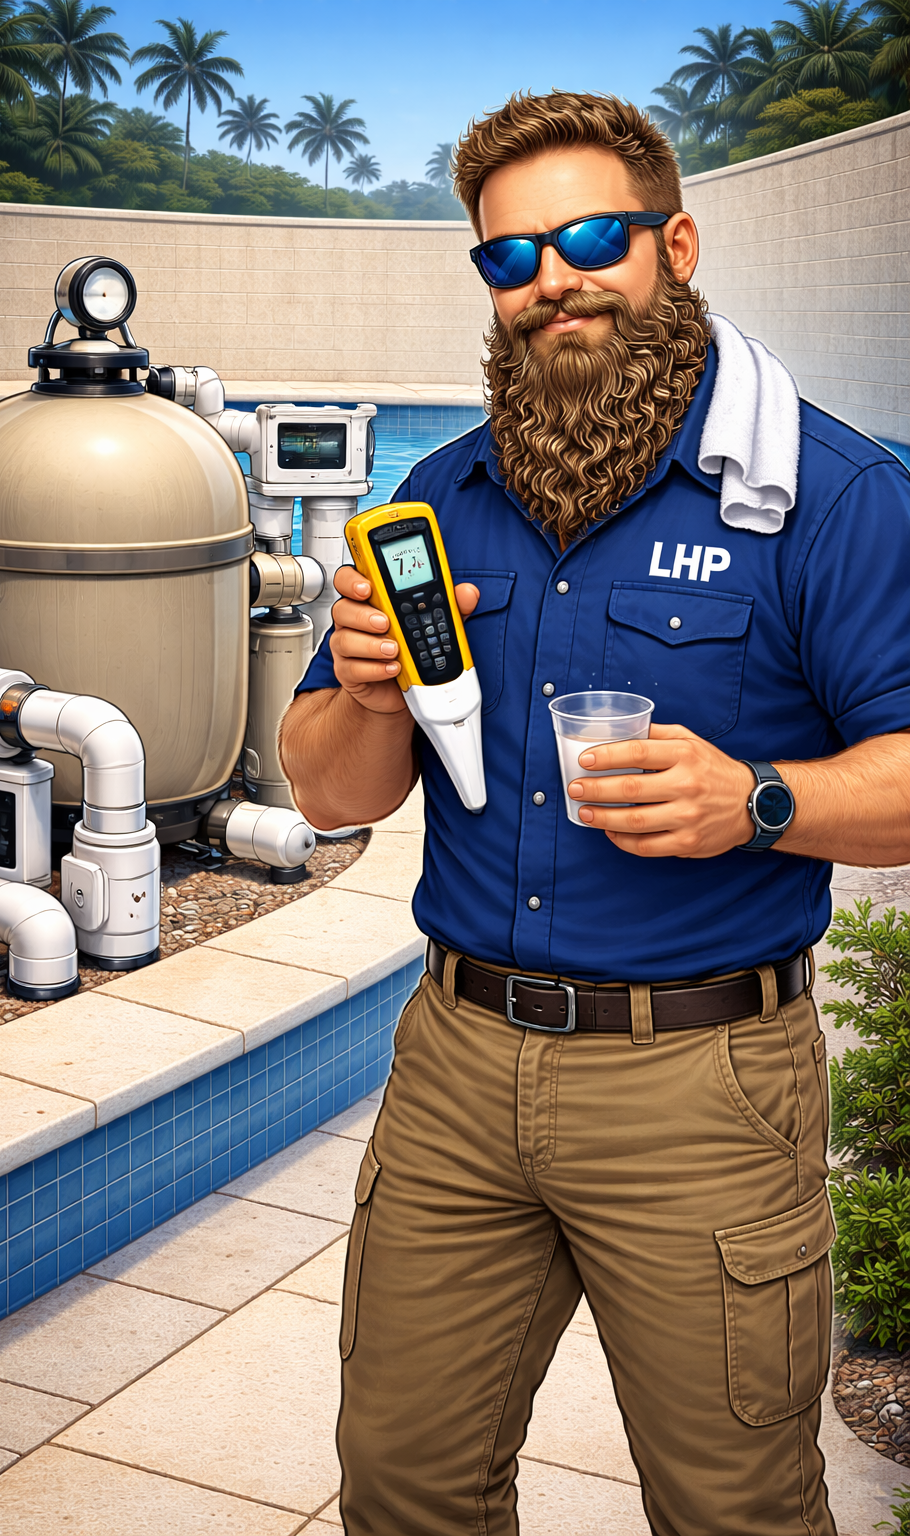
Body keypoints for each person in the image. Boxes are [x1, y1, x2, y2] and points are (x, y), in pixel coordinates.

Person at [279, 91, 910, 1536]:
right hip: (454, 1068)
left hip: (700, 1089)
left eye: (589, 237)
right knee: (404, 1486)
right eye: (512, 256)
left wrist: (758, 798)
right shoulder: (437, 502)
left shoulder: (833, 495)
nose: (553, 278)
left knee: (732, 1506)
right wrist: (368, 690)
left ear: (673, 245)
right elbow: (327, 792)